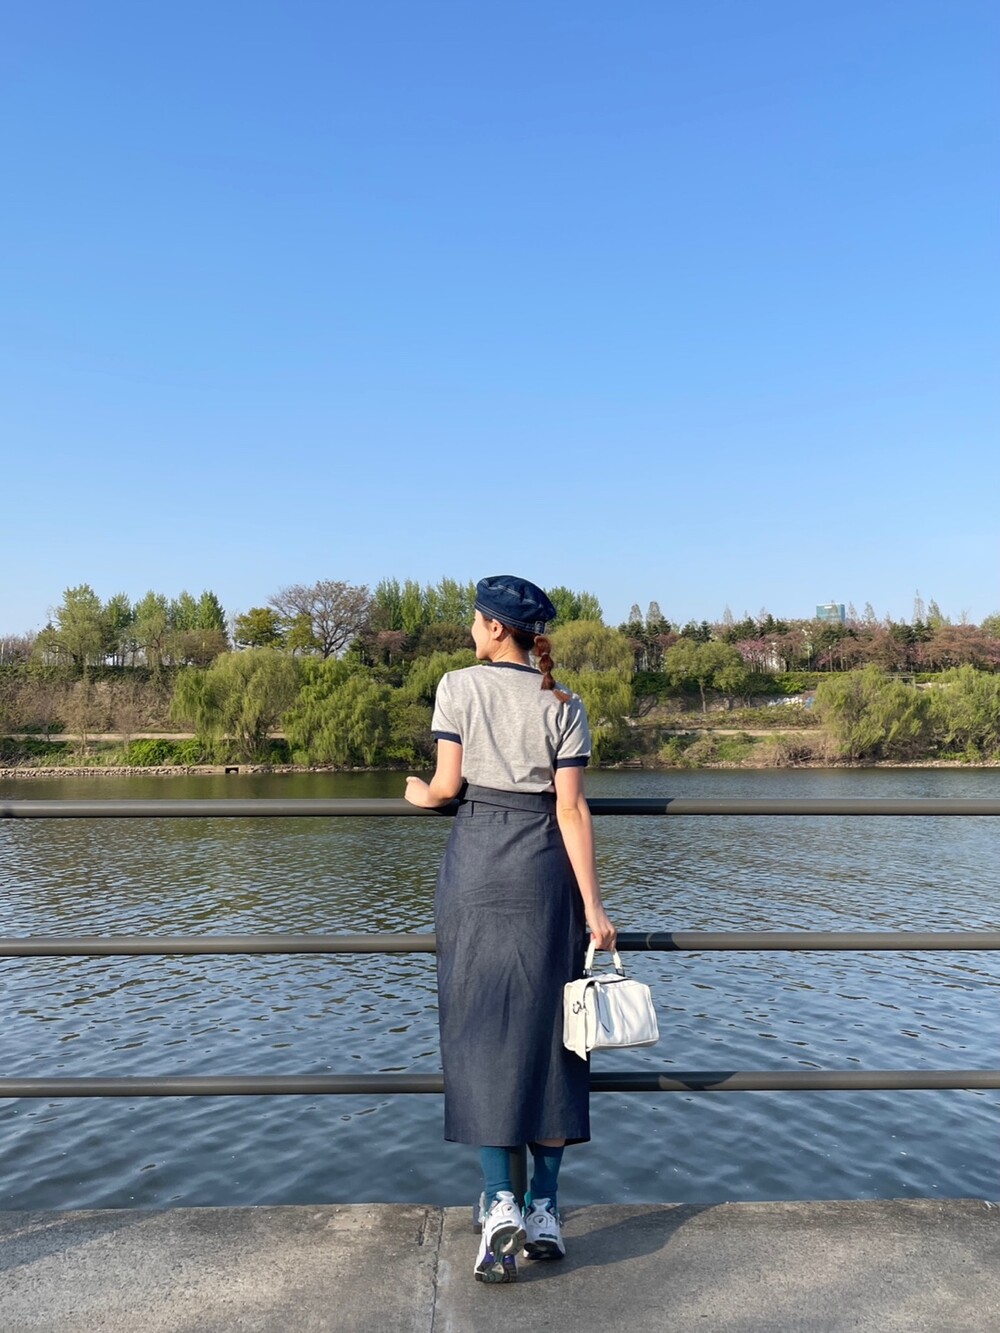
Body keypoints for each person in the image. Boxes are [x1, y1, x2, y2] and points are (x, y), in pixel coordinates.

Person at [404, 573, 616, 1284]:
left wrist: (415, 793)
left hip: (476, 868)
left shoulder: (457, 687)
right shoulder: (564, 703)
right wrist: (594, 908)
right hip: (543, 875)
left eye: (475, 620)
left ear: (496, 627)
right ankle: (545, 1207)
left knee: (479, 1029)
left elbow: (444, 787)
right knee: (556, 1034)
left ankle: (499, 1201)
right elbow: (571, 810)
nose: (471, 630)